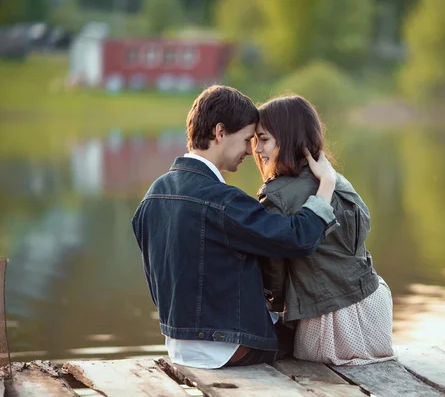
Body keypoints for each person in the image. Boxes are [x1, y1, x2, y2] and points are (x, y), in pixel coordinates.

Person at [131, 86, 339, 369]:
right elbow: (298, 238)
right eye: (246, 139)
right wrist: (326, 185)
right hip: (228, 348)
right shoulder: (222, 201)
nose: (250, 150)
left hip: (177, 344)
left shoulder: (152, 195)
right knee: (315, 336)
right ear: (220, 133)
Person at [253, 94, 395, 365]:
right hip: (374, 305)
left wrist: (275, 310)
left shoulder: (275, 196)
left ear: (288, 138)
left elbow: (275, 275)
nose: (257, 149)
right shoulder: (335, 180)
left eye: (264, 139)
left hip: (329, 322)